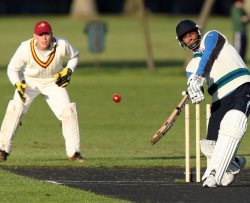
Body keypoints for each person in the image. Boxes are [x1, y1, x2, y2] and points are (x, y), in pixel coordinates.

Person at [176, 19, 250, 187]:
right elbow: (196, 87)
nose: (191, 39)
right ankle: (233, 163)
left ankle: (213, 176)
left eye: (192, 34)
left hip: (241, 85)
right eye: (185, 38)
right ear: (182, 43)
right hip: (219, 98)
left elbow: (208, 55)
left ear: (198, 32)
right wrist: (196, 92)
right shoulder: (190, 67)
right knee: (210, 146)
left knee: (234, 124)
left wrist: (199, 76)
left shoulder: (213, 36)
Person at [0, 20, 84, 163]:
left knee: (68, 112)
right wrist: (17, 84)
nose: (44, 38)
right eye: (41, 35)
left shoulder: (62, 44)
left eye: (47, 34)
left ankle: (74, 152)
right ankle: (2, 150)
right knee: (15, 109)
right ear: (35, 36)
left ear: (52, 34)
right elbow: (12, 69)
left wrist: (68, 71)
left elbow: (75, 56)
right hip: (29, 82)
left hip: (53, 81)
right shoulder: (25, 48)